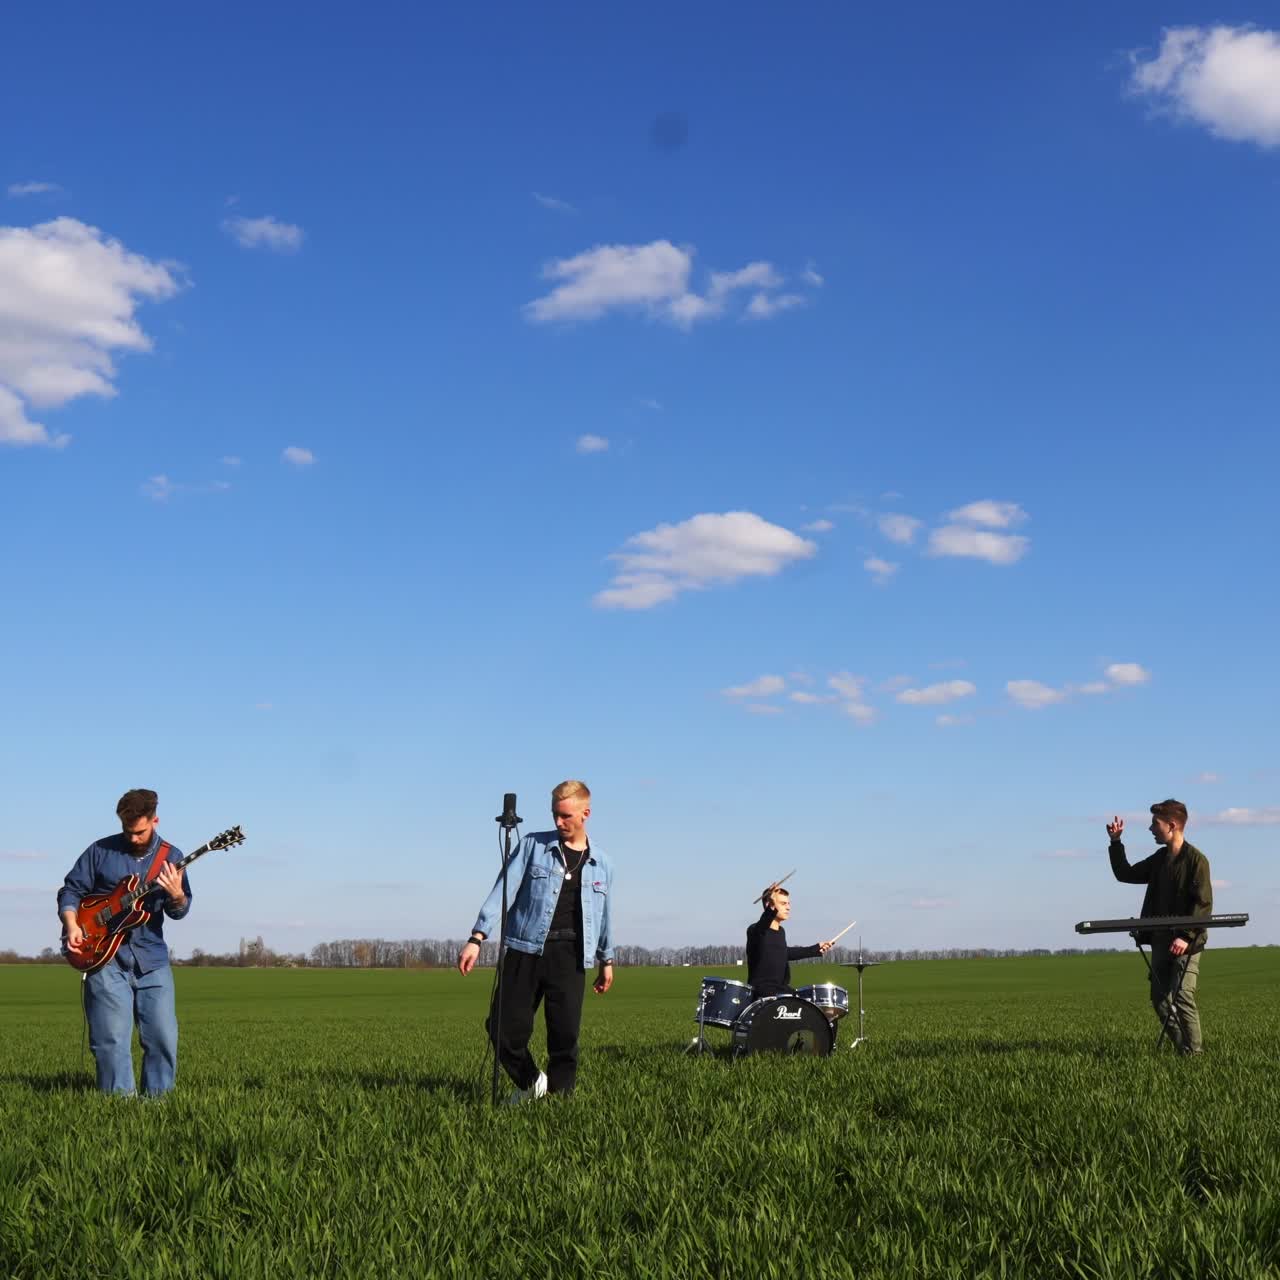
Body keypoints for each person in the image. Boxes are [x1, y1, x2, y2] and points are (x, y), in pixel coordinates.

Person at [457, 780, 614, 1102]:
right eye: (555, 815)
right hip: (525, 950)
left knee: (564, 1037)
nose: (558, 822)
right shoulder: (532, 846)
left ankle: (560, 1104)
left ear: (586, 813)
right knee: (501, 1030)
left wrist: (606, 959)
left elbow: (604, 914)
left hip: (571, 956)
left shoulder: (602, 863)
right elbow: (504, 889)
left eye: (565, 816)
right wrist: (477, 937)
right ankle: (532, 1083)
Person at [57, 789, 193, 1095]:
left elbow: (179, 911)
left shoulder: (171, 857)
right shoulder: (99, 851)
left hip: (151, 958)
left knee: (162, 1036)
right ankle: (119, 1110)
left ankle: (158, 1106)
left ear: (155, 820)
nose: (132, 838)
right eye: (127, 831)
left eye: (140, 831)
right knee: (110, 1039)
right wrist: (72, 923)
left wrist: (176, 895)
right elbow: (71, 890)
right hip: (105, 957)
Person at [1107, 799, 1213, 1055]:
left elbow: (1203, 903)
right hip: (1160, 941)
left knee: (1183, 995)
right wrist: (1115, 843)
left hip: (1187, 943)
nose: (1151, 828)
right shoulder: (1159, 859)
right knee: (1159, 999)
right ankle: (1183, 1050)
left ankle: (1196, 1055)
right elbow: (1126, 874)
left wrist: (1186, 937)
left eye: (1155, 823)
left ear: (1172, 825)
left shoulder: (1197, 860)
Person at [746, 885, 834, 1000]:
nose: (788, 907)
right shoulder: (755, 930)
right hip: (762, 993)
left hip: (781, 989)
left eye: (788, 903)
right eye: (783, 903)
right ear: (769, 904)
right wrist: (771, 907)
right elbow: (763, 925)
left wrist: (816, 948)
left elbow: (784, 952)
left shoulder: (781, 932)